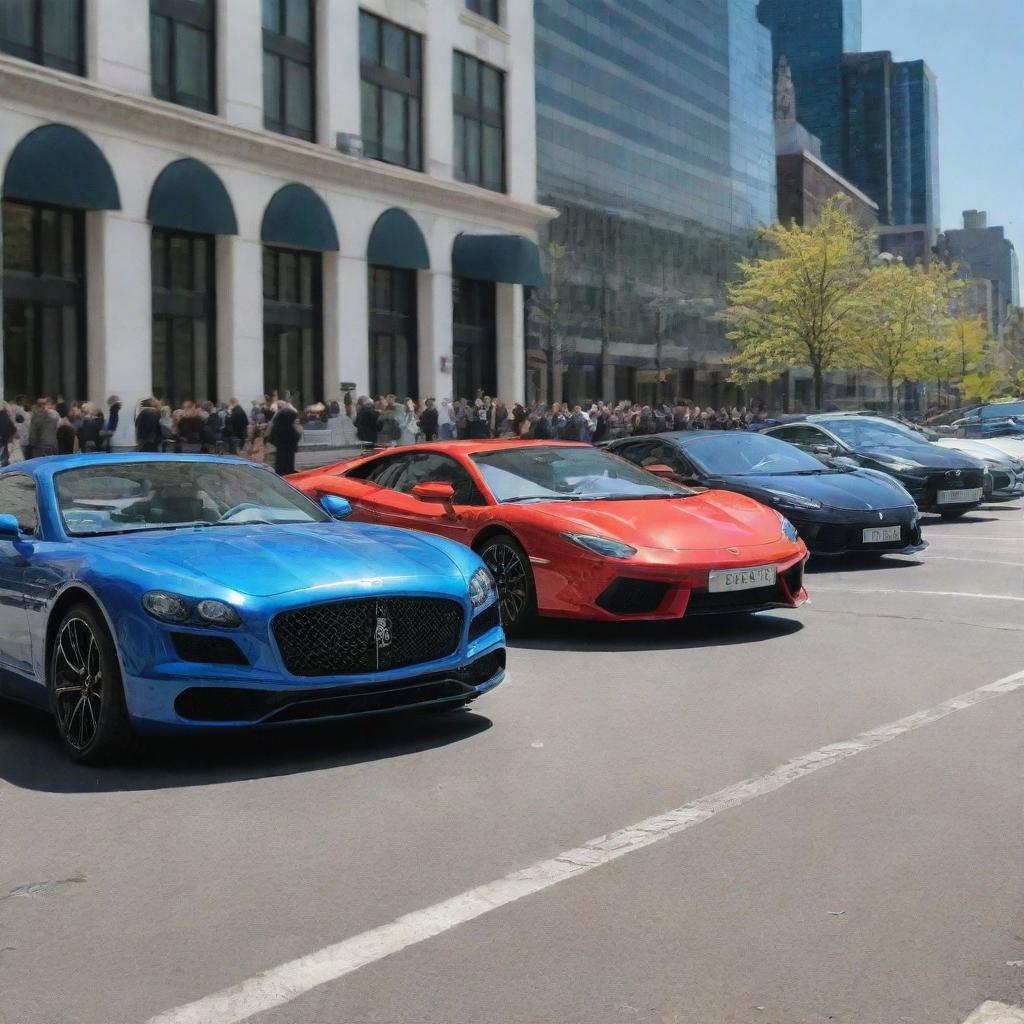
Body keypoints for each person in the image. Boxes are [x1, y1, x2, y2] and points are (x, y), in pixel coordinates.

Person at [268, 401, 300, 475]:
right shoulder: (290, 428)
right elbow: (296, 437)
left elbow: (272, 438)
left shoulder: (278, 425)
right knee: (288, 465)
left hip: (280, 449)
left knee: (281, 465)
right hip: (289, 450)